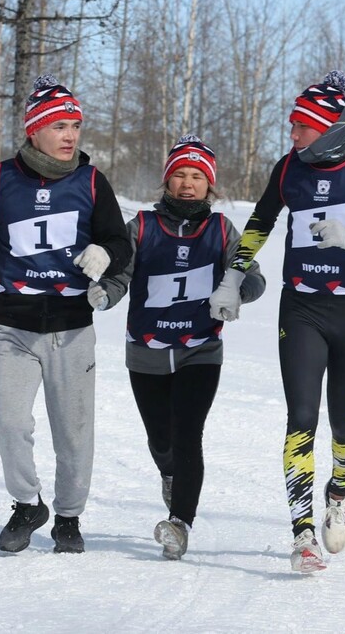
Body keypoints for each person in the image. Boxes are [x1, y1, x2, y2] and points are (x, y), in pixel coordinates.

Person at [209, 70, 345, 573]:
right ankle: (302, 533)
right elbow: (260, 223)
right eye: (292, 125)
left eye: (301, 126)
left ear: (329, 129)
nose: (292, 134)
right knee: (301, 417)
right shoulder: (289, 168)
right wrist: (232, 278)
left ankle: (340, 492)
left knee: (344, 423)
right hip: (302, 307)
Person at [0, 74, 132, 554]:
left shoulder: (91, 181)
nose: (71, 135)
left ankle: (68, 517)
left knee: (73, 432)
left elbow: (120, 241)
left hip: (71, 330)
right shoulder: (0, 179)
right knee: (12, 423)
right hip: (13, 327)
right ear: (34, 130)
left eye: (75, 126)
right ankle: (27, 505)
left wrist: (104, 252)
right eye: (59, 126)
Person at [92, 135, 265, 560]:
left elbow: (254, 276)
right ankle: (170, 475)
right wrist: (105, 295)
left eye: (197, 177)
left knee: (188, 433)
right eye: (180, 175)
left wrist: (237, 292)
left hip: (200, 349)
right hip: (146, 351)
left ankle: (180, 523)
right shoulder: (142, 226)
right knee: (161, 442)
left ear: (210, 186)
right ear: (166, 181)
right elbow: (120, 275)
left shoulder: (222, 230)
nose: (188, 184)